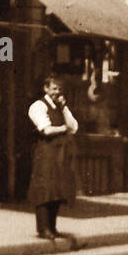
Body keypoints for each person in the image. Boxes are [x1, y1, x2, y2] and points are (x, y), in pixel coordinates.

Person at [27, 76, 78, 240]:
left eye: (59, 89)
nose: (57, 92)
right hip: (46, 151)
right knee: (45, 189)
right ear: (46, 88)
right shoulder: (38, 106)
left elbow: (74, 126)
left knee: (58, 190)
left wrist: (64, 108)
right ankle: (43, 228)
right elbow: (45, 129)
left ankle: (53, 226)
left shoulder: (61, 107)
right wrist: (64, 128)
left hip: (60, 153)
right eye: (54, 88)